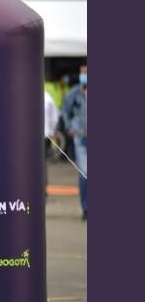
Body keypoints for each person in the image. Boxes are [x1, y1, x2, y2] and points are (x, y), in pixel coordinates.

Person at [63, 64, 87, 220]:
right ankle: (86, 208)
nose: (84, 75)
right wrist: (70, 129)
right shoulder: (74, 93)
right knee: (84, 172)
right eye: (83, 72)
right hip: (81, 138)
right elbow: (66, 112)